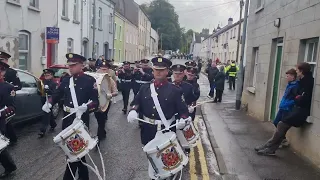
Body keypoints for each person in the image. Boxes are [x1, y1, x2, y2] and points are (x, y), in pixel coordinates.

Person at [42, 53, 99, 180]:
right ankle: (84, 177)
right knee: (76, 151)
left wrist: (87, 108)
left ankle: (69, 177)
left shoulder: (89, 81)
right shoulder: (66, 80)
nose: (70, 68)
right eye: (69, 65)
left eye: (73, 65)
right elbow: (57, 93)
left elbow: (96, 102)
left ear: (81, 65)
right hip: (68, 118)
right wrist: (49, 102)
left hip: (80, 119)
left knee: (75, 151)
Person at [127, 57, 190, 147]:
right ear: (153, 71)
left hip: (166, 129)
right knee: (150, 158)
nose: (158, 72)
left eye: (161, 70)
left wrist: (183, 119)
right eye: (156, 69)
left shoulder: (175, 90)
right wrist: (133, 110)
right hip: (147, 130)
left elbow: (183, 111)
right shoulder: (145, 88)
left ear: (167, 71)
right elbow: (136, 102)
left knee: (166, 158)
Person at [255, 63, 314, 156]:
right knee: (280, 125)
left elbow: (302, 99)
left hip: (301, 111)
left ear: (302, 71)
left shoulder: (308, 82)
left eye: (297, 70)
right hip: (297, 109)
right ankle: (269, 147)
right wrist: (298, 98)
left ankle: (270, 147)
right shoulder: (302, 81)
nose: (296, 71)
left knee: (281, 125)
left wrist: (298, 98)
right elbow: (298, 97)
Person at [0, 60, 17, 178]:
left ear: (3, 73)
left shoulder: (8, 87)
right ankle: (9, 166)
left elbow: (11, 108)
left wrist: (1, 113)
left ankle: (9, 166)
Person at [95, 60, 118, 142]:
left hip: (106, 102)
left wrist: (111, 94)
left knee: (103, 118)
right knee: (98, 119)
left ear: (108, 70)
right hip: (96, 102)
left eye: (105, 69)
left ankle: (99, 137)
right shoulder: (94, 79)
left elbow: (116, 91)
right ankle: (102, 130)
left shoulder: (110, 80)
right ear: (99, 69)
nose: (103, 71)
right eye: (102, 69)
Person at [0, 51, 20, 146]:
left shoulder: (11, 73)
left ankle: (10, 139)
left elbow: (18, 85)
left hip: (7, 97)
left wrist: (10, 88)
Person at [38, 69, 58, 138]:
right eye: (45, 75)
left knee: (45, 114)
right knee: (49, 113)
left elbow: (55, 93)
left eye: (48, 75)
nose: (46, 76)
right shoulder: (42, 82)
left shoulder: (54, 83)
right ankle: (53, 124)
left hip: (50, 100)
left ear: (52, 75)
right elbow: (39, 91)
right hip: (43, 98)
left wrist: (48, 90)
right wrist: (40, 91)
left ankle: (42, 130)